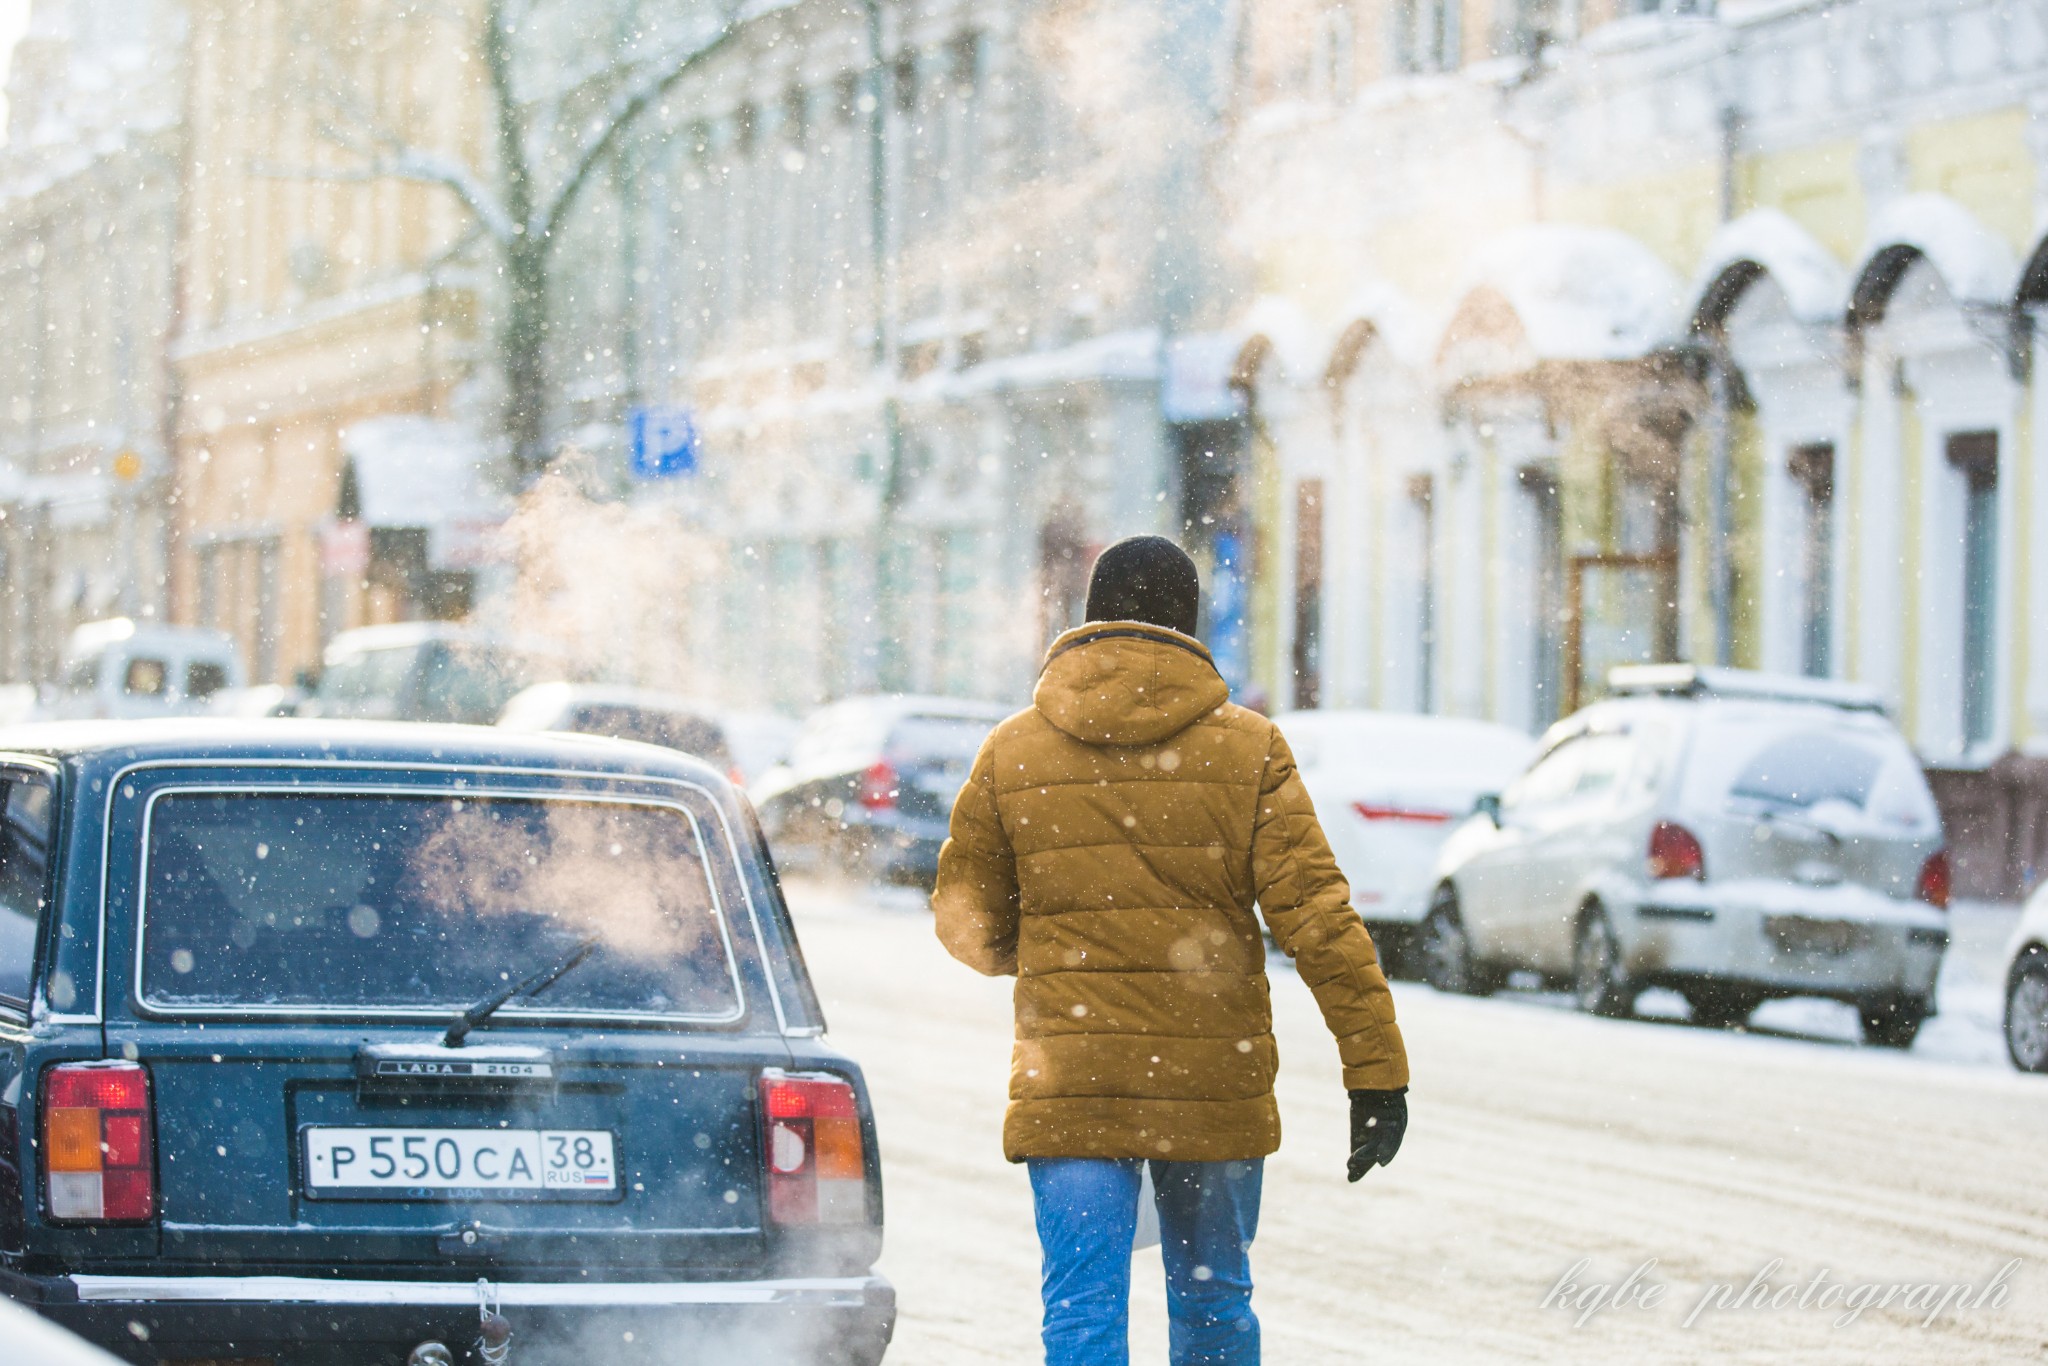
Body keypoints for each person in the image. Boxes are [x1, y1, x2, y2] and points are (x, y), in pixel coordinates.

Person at [932, 535, 1411, 1366]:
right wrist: (1376, 1072)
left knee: (1081, 1314)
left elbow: (963, 923)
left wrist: (1049, 950)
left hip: (1071, 1081)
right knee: (1213, 1302)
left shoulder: (1013, 750)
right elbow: (1320, 920)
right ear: (1190, 626)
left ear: (1088, 620)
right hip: (1210, 1082)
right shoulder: (1250, 748)